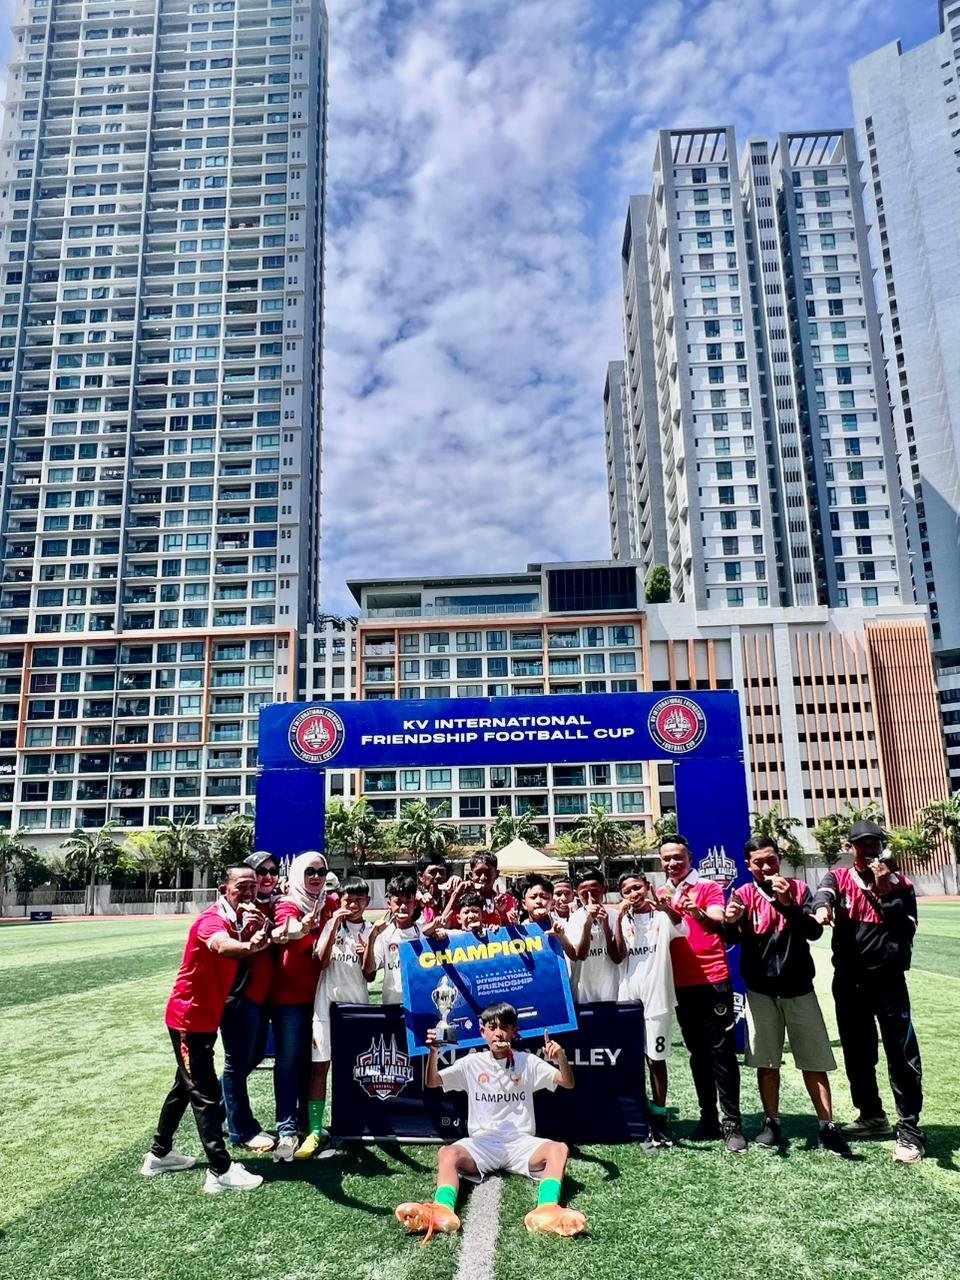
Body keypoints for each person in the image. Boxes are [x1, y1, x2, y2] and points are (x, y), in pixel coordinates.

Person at [394, 1004, 587, 1239]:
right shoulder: (471, 1063)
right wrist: (433, 1052)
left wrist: (561, 1058)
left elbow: (568, 1083)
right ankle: (442, 1209)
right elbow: (433, 1082)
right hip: (482, 1143)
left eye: (505, 1028)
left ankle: (547, 1209)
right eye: (492, 1028)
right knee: (447, 1153)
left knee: (559, 1149)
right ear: (482, 1032)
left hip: (520, 1142)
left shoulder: (527, 1061)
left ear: (514, 1032)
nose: (499, 1033)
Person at [141, 865, 269, 1193]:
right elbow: (222, 946)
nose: (249, 892)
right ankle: (220, 1171)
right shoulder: (212, 920)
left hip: (204, 1019)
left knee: (184, 1087)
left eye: (253, 886)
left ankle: (159, 1153)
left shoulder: (238, 919)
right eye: (241, 886)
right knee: (205, 1093)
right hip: (189, 1020)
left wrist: (259, 935)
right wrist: (250, 944)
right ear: (223, 889)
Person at [724, 838, 852, 1157]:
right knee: (767, 1062)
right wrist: (731, 922)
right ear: (748, 865)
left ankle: (827, 1124)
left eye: (770, 860)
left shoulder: (798, 889)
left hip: (799, 988)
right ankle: (772, 1121)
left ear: (779, 859)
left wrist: (786, 903)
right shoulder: (742, 894)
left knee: (814, 1060)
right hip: (761, 991)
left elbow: (813, 932)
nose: (766, 867)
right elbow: (730, 938)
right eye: (758, 862)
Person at [812, 819, 924, 1164]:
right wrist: (822, 909)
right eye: (862, 844)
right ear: (851, 848)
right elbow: (824, 894)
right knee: (858, 1052)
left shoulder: (900, 884)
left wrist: (885, 891)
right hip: (850, 981)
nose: (870, 849)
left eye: (875, 842)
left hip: (888, 981)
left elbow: (907, 928)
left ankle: (910, 1129)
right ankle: (872, 1115)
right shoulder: (839, 877)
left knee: (900, 1053)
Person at [658, 836, 745, 1153]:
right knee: (697, 1054)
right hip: (680, 984)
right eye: (667, 858)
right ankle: (708, 1118)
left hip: (712, 980)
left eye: (678, 857)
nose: (672, 863)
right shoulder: (662, 894)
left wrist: (698, 914)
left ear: (690, 858)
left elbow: (718, 919)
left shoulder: (707, 887)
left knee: (721, 1054)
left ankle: (732, 1123)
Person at [297, 877, 373, 1159]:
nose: (352, 905)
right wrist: (333, 926)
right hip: (325, 1008)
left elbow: (370, 974)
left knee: (353, 1070)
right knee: (320, 1067)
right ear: (340, 900)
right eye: (347, 900)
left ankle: (350, 1124)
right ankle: (316, 1130)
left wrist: (366, 951)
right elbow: (320, 962)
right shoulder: (330, 924)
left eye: (358, 900)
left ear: (367, 902)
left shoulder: (371, 930)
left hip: (356, 1010)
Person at [613, 869, 687, 1144]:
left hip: (658, 1001)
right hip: (628, 1001)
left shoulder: (661, 917)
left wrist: (666, 907)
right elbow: (617, 955)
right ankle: (635, 1112)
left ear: (647, 886)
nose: (634, 894)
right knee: (630, 1059)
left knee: (656, 1060)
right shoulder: (622, 920)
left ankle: (659, 1114)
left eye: (637, 887)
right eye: (627, 891)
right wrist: (618, 919)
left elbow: (683, 928)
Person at [269, 850, 332, 1162]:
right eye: (310, 872)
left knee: (314, 1064)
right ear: (297, 874)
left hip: (321, 998)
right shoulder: (288, 903)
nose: (316, 877)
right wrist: (301, 928)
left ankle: (309, 1125)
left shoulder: (328, 903)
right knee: (289, 1062)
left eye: (321, 872)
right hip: (290, 999)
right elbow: (288, 928)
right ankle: (286, 1129)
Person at [219, 851, 280, 1153]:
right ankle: (242, 1130)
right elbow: (230, 945)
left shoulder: (273, 904)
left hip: (264, 997)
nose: (267, 877)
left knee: (252, 1057)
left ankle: (215, 1112)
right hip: (241, 997)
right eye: (261, 872)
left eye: (272, 871)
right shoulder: (236, 910)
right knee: (236, 1062)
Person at [364, 872, 440, 1003]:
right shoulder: (384, 934)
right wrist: (371, 939)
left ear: (415, 904)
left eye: (408, 902)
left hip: (422, 1003)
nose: (403, 907)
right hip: (393, 1004)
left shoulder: (424, 931)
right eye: (398, 902)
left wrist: (441, 934)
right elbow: (369, 971)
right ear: (389, 903)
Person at [564, 868, 622, 1003]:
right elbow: (580, 955)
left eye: (595, 892)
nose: (591, 898)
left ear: (604, 889)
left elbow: (617, 957)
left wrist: (606, 926)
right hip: (583, 995)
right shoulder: (575, 919)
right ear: (576, 894)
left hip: (611, 993)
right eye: (584, 894)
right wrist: (588, 922)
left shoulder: (614, 917)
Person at [444, 852, 518, 926]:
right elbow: (442, 923)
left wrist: (502, 913)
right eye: (478, 873)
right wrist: (455, 895)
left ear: (496, 874)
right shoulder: (460, 900)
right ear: (471, 875)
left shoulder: (505, 900)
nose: (483, 878)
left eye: (488, 873)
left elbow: (511, 928)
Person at [416, 854, 451, 924]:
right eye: (433, 872)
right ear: (421, 876)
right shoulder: (414, 899)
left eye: (442, 872)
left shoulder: (449, 895)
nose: (438, 876)